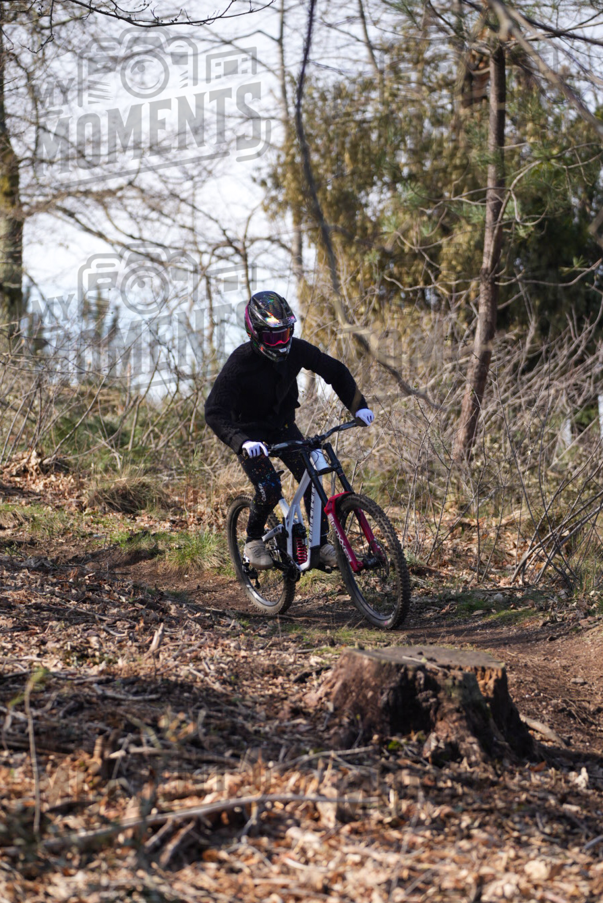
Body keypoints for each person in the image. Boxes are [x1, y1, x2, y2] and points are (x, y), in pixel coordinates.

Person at [204, 290, 374, 569]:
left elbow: (336, 372)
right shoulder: (239, 363)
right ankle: (253, 540)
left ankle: (318, 546)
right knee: (270, 488)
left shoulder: (297, 349)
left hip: (283, 428)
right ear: (254, 334)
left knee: (315, 474)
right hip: (249, 435)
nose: (281, 343)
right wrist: (241, 441)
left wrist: (358, 406)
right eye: (272, 337)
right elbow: (214, 411)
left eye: (285, 334)